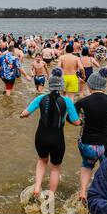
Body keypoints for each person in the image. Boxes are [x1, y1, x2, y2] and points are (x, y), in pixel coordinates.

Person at [20, 68, 81, 198]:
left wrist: (22, 115)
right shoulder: (67, 101)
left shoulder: (41, 98)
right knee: (55, 167)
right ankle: (50, 195)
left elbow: (25, 113)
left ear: (49, 85)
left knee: (42, 161)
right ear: (62, 86)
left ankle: (37, 188)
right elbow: (76, 122)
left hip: (41, 137)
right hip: (57, 139)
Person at [75, 68, 107, 202]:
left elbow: (71, 118)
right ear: (104, 85)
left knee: (87, 165)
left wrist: (81, 122)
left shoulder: (82, 102)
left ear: (90, 85)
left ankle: (83, 192)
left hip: (87, 143)